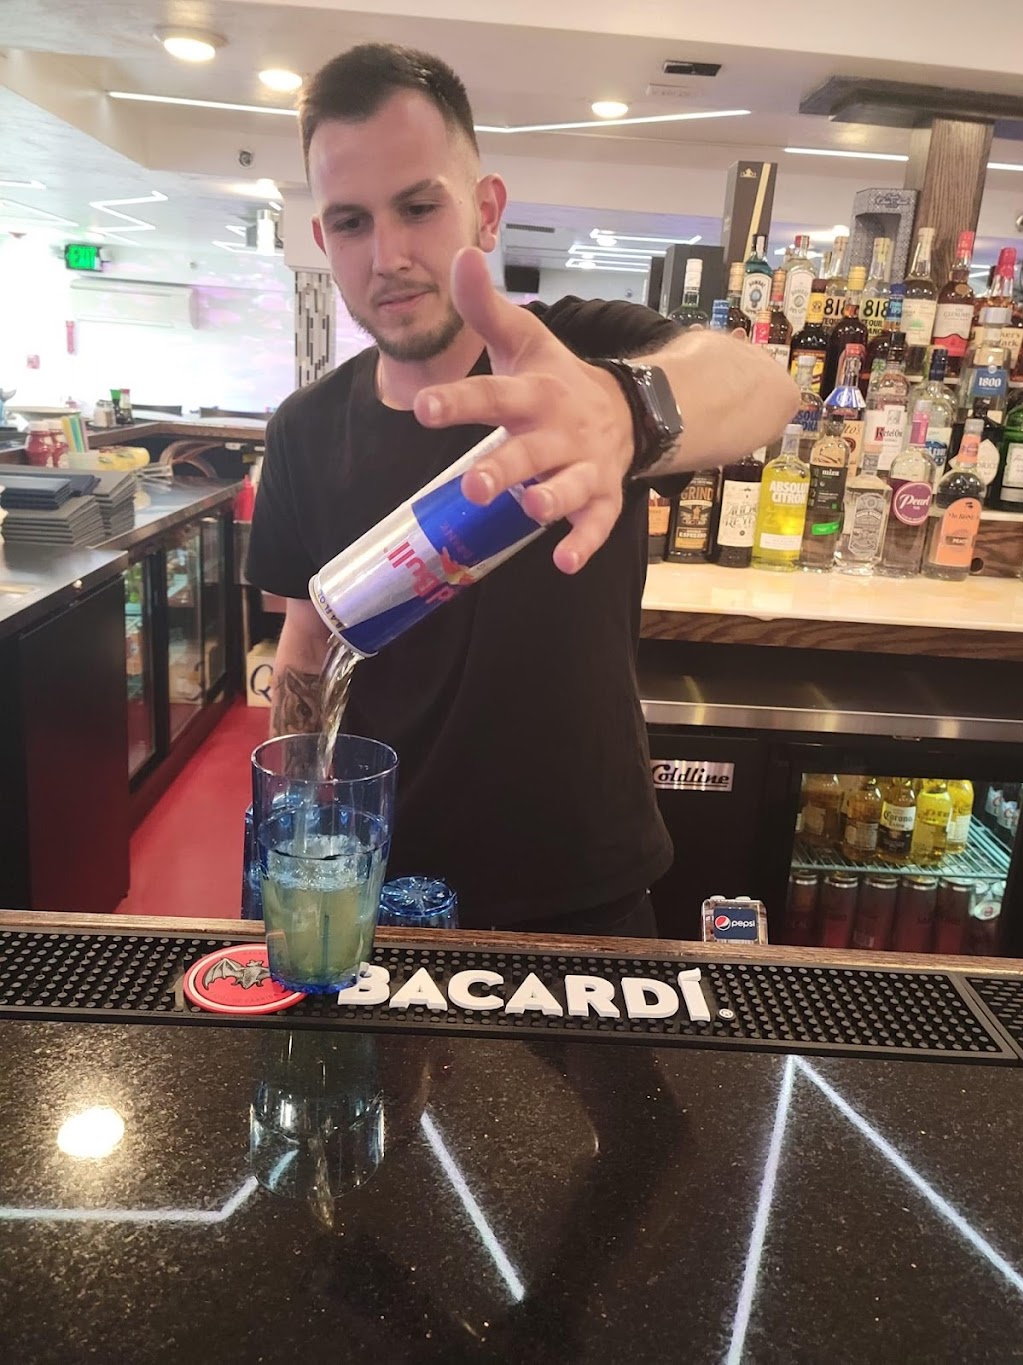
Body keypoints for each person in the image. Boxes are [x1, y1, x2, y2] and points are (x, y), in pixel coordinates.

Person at [246, 43, 798, 938]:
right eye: (350, 222)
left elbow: (764, 387)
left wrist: (625, 410)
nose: (387, 255)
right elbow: (307, 643)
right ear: (322, 242)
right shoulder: (303, 429)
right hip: (382, 890)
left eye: (419, 206)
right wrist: (290, 833)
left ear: (487, 209)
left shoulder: (582, 359)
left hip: (586, 884)